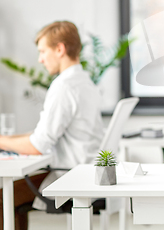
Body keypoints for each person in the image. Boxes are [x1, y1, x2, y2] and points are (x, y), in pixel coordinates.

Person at [0, 21, 104, 230]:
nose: (40, 59)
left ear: (59, 49)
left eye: (43, 51)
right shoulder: (85, 82)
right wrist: (7, 141)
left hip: (70, 175)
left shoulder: (63, 86)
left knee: (2, 197)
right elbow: (46, 134)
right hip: (89, 170)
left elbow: (38, 145)